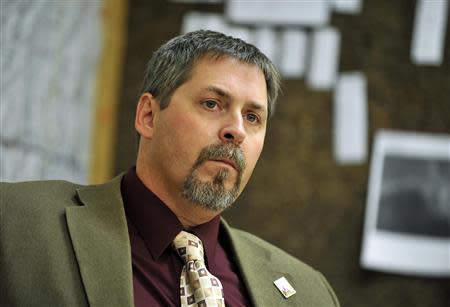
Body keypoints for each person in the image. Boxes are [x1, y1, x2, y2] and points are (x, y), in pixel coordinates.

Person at [0, 30, 340, 307]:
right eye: (212, 103)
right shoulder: (15, 222)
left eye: (252, 117)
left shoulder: (310, 293)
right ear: (148, 116)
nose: (236, 130)